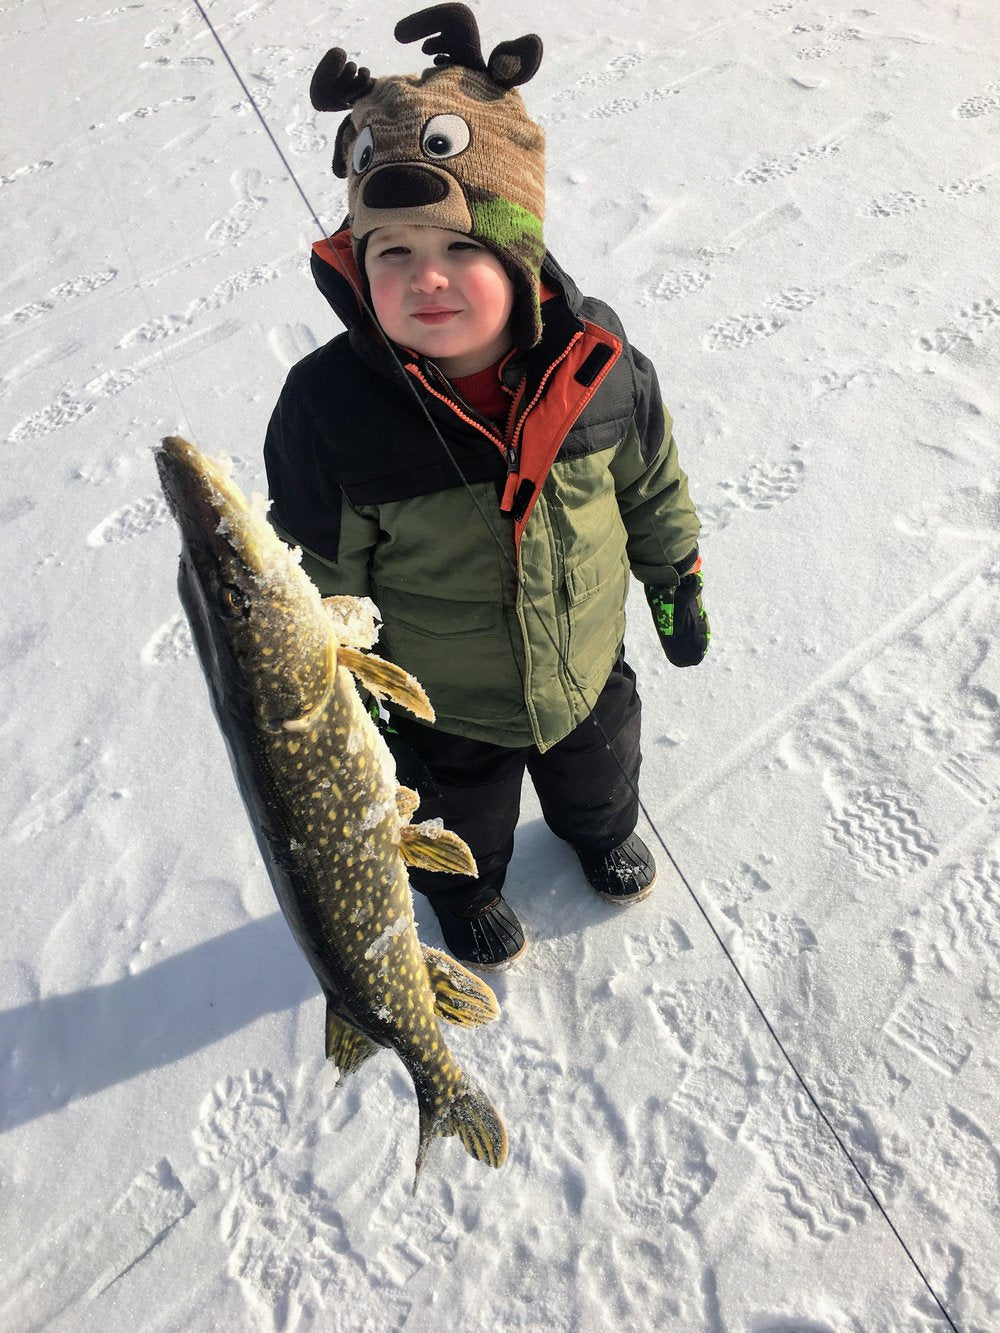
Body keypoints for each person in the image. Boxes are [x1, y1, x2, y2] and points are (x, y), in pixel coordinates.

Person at [263, 4, 709, 970]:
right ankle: (470, 894)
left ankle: (596, 835)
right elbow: (316, 585)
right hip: (442, 706)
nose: (429, 279)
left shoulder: (598, 361)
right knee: (458, 825)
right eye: (395, 254)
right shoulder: (333, 412)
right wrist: (356, 704)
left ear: (515, 251)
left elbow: (650, 474)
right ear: (357, 266)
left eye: (460, 248)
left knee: (602, 774)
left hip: (585, 665)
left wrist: (675, 571)